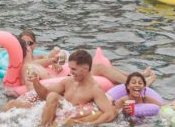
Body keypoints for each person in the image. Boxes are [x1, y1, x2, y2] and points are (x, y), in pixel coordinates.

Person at [17, 30, 156, 88]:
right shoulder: (29, 66)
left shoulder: (37, 59)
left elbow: (54, 56)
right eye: (25, 44)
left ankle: (138, 77)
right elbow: (32, 87)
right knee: (100, 68)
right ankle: (135, 84)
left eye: (29, 43)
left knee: (101, 65)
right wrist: (52, 61)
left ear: (34, 44)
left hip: (65, 76)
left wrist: (55, 63)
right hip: (67, 81)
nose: (28, 46)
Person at [30, 50, 118, 127]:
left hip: (75, 123)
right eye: (70, 68)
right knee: (52, 95)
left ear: (85, 69)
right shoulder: (68, 81)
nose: (70, 72)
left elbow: (109, 113)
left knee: (53, 96)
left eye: (73, 69)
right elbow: (45, 95)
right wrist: (35, 81)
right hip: (61, 117)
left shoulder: (94, 89)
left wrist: (89, 125)